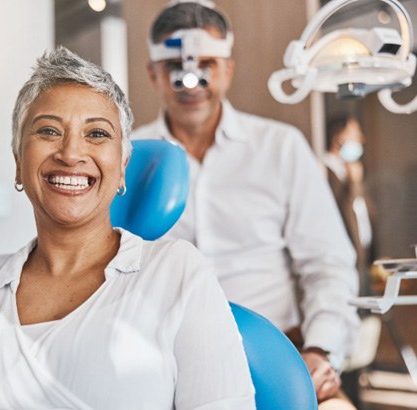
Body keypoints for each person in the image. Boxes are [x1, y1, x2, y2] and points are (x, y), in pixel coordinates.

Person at [0, 46, 255, 409]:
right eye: (49, 131)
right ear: (18, 162)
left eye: (97, 134)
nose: (71, 154)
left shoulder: (175, 271)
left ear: (122, 167)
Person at [131, 1, 360, 407]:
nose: (192, 81)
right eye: (175, 68)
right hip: (167, 364)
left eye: (207, 65)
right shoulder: (129, 159)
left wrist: (321, 349)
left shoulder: (280, 147)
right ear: (153, 73)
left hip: (283, 354)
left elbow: (328, 263)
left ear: (228, 70)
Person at [324, 114, 376, 294]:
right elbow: (341, 210)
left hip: (361, 254)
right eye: (354, 134)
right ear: (337, 137)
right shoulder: (325, 171)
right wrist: (353, 183)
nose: (360, 139)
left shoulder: (353, 169)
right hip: (341, 257)